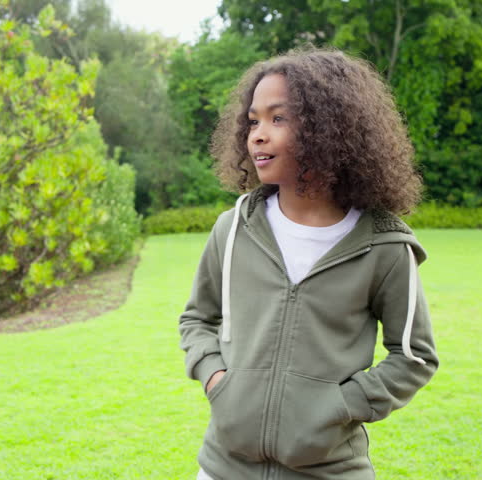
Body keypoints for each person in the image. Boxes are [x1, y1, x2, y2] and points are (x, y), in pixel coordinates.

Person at [178, 47, 439, 480]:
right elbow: (197, 319)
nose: (258, 135)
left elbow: (415, 356)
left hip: (330, 471)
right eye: (253, 121)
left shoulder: (384, 246)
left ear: (328, 129)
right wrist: (216, 379)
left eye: (278, 118)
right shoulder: (233, 229)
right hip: (224, 469)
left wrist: (340, 406)